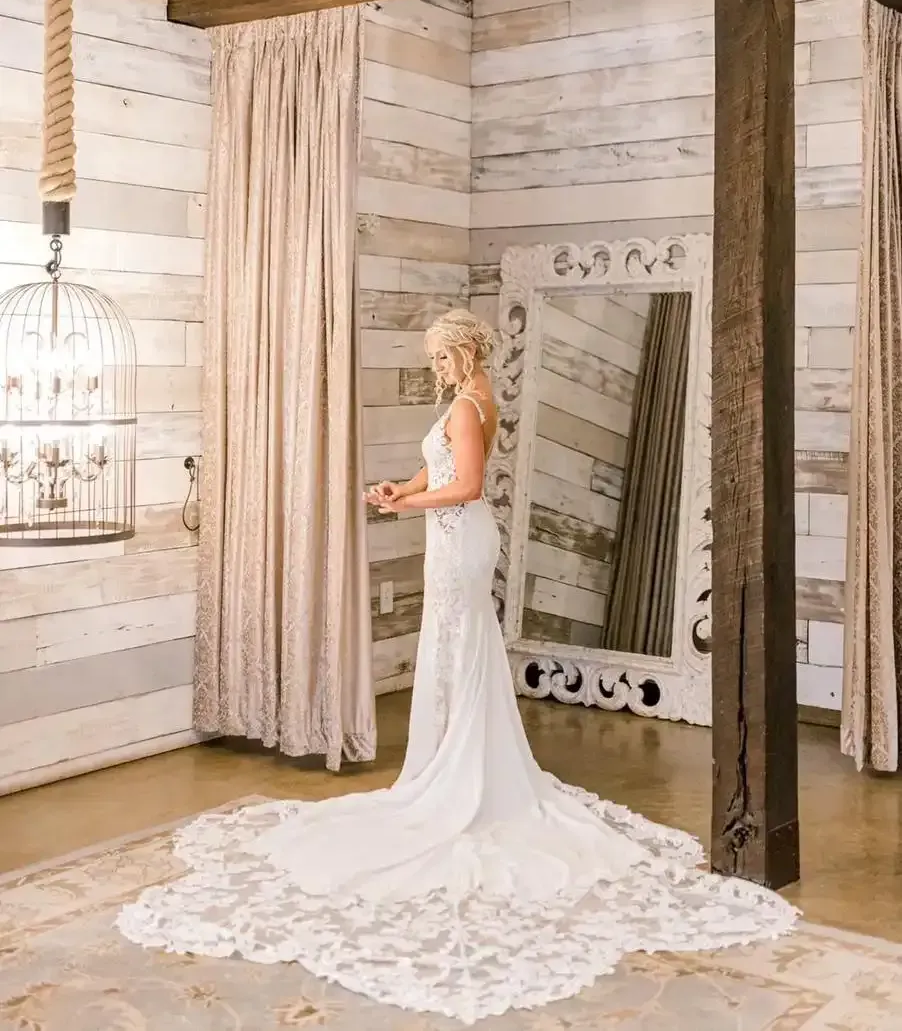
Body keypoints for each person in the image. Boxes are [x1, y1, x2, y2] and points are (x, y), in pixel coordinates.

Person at [117, 309, 797, 1025]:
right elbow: (436, 468)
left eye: (440, 356)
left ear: (463, 351)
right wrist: (400, 490)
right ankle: (442, 759)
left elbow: (467, 486)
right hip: (449, 538)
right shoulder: (461, 403)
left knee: (459, 649)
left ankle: (461, 776)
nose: (435, 367)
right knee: (448, 651)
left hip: (462, 539)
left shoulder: (472, 407)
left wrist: (411, 506)